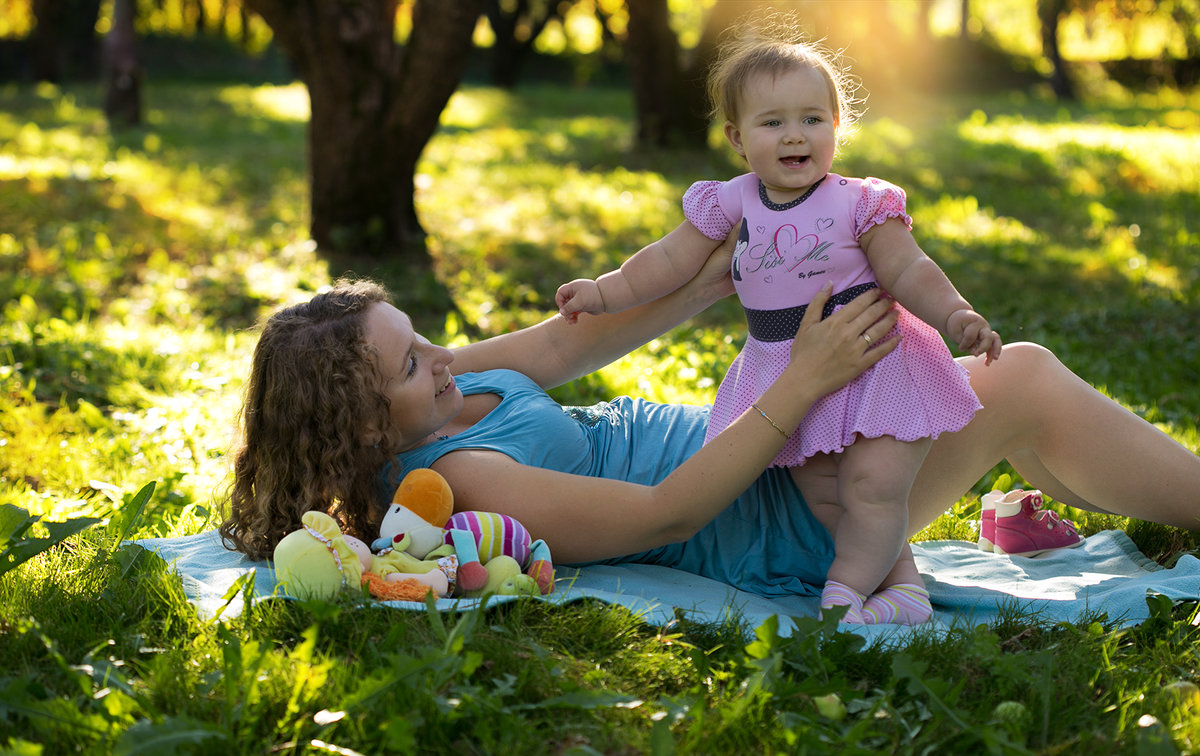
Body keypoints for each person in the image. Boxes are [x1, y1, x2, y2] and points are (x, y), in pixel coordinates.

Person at [217, 254, 1200, 624]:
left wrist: (705, 276)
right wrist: (804, 380)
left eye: (419, 333)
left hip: (758, 442)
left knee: (960, 381)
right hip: (770, 516)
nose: (440, 355)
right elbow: (664, 511)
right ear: (362, 423)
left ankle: (1081, 489)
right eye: (409, 362)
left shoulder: (435, 382)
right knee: (1017, 376)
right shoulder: (465, 479)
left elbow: (571, 338)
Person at [554, 20, 1016, 623]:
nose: (794, 135)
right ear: (738, 138)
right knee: (825, 493)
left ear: (835, 125)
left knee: (874, 485)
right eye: (772, 123)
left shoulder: (859, 201)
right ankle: (903, 588)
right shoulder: (732, 201)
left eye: (811, 119)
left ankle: (844, 594)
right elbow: (667, 260)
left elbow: (908, 268)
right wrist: (605, 290)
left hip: (873, 358)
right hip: (786, 364)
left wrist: (956, 313)